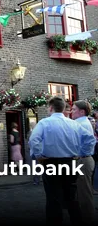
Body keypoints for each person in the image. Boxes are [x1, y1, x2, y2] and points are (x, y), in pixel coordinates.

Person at [29, 97, 95, 226]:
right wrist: (82, 153)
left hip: (51, 163)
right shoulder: (73, 123)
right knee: (72, 198)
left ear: (51, 108)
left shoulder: (44, 123)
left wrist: (38, 155)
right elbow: (90, 139)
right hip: (71, 163)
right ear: (63, 108)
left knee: (53, 198)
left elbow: (34, 140)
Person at [71, 100, 96, 224]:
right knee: (81, 193)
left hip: (83, 160)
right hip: (83, 159)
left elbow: (91, 140)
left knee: (85, 195)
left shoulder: (80, 123)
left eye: (74, 109)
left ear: (82, 111)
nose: (71, 111)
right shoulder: (81, 122)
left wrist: (81, 154)